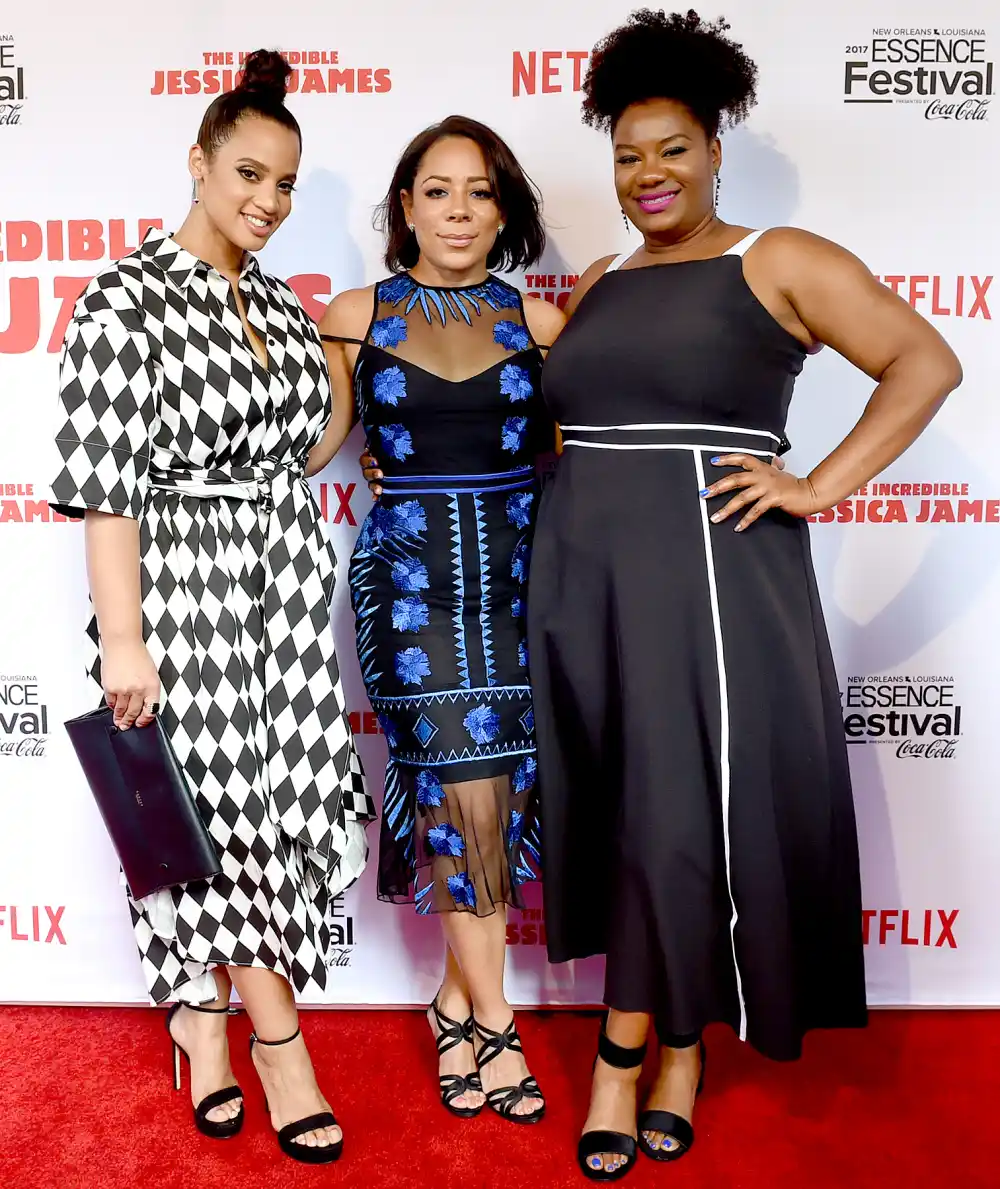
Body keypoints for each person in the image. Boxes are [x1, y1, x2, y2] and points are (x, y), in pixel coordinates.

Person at [525, 9, 963, 1181]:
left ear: (715, 148)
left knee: (677, 816)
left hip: (710, 581)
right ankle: (669, 1035)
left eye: (670, 147)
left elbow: (926, 362)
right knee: (624, 808)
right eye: (626, 155)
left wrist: (818, 482)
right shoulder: (608, 275)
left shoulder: (775, 257)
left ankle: (647, 1052)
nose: (648, 173)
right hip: (585, 579)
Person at [48, 50, 374, 1165]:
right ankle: (276, 1039)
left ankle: (198, 1018)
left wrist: (350, 356)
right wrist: (124, 640)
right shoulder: (124, 298)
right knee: (219, 819)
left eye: (284, 184)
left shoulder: (278, 305)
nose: (266, 203)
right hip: (178, 591)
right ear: (196, 162)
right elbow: (104, 485)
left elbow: (305, 449)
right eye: (246, 174)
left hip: (278, 590)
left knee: (273, 810)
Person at [317, 115, 565, 1125]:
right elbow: (323, 438)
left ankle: (454, 1002)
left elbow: (575, 452)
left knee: (493, 798)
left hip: (516, 581)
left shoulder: (542, 324)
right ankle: (496, 1025)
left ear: (502, 211)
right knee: (461, 786)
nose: (457, 209)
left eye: (479, 191)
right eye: (436, 189)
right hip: (409, 586)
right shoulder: (353, 313)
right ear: (404, 205)